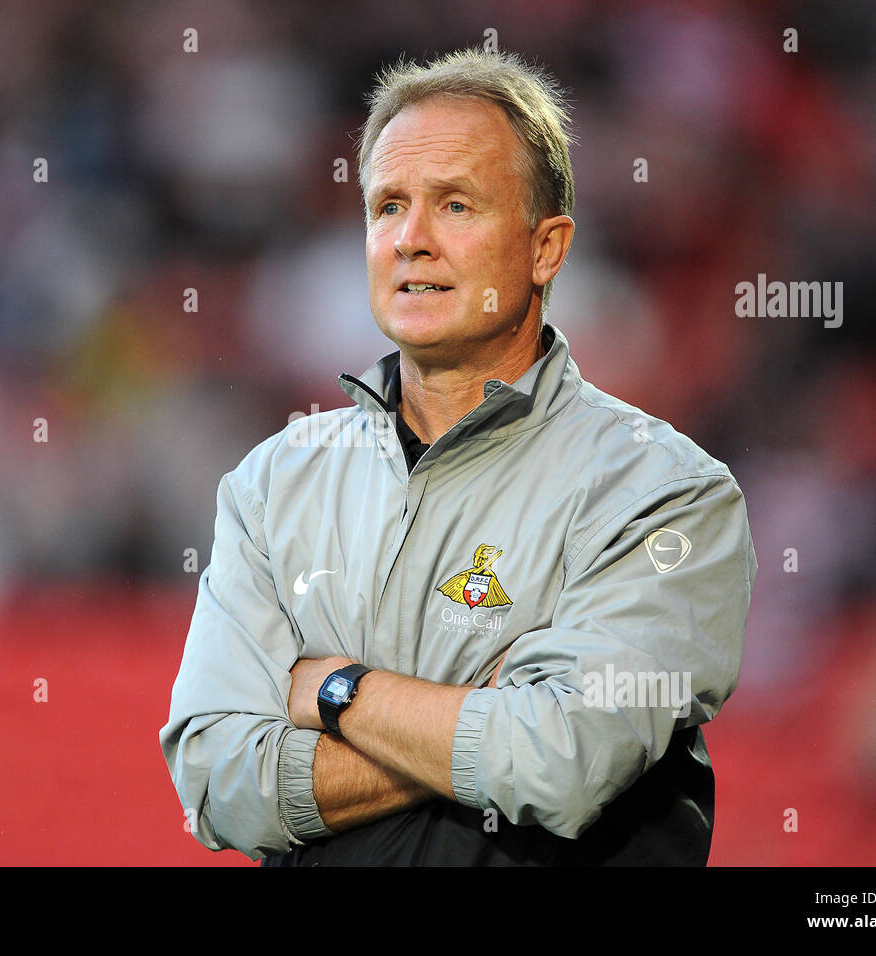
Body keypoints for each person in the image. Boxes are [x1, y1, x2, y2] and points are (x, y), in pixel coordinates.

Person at [160, 48, 757, 866]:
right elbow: (215, 785)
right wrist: (490, 713)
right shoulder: (271, 484)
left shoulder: (665, 493)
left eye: (456, 206)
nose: (411, 240)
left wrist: (337, 692)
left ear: (546, 249)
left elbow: (562, 764)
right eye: (388, 206)